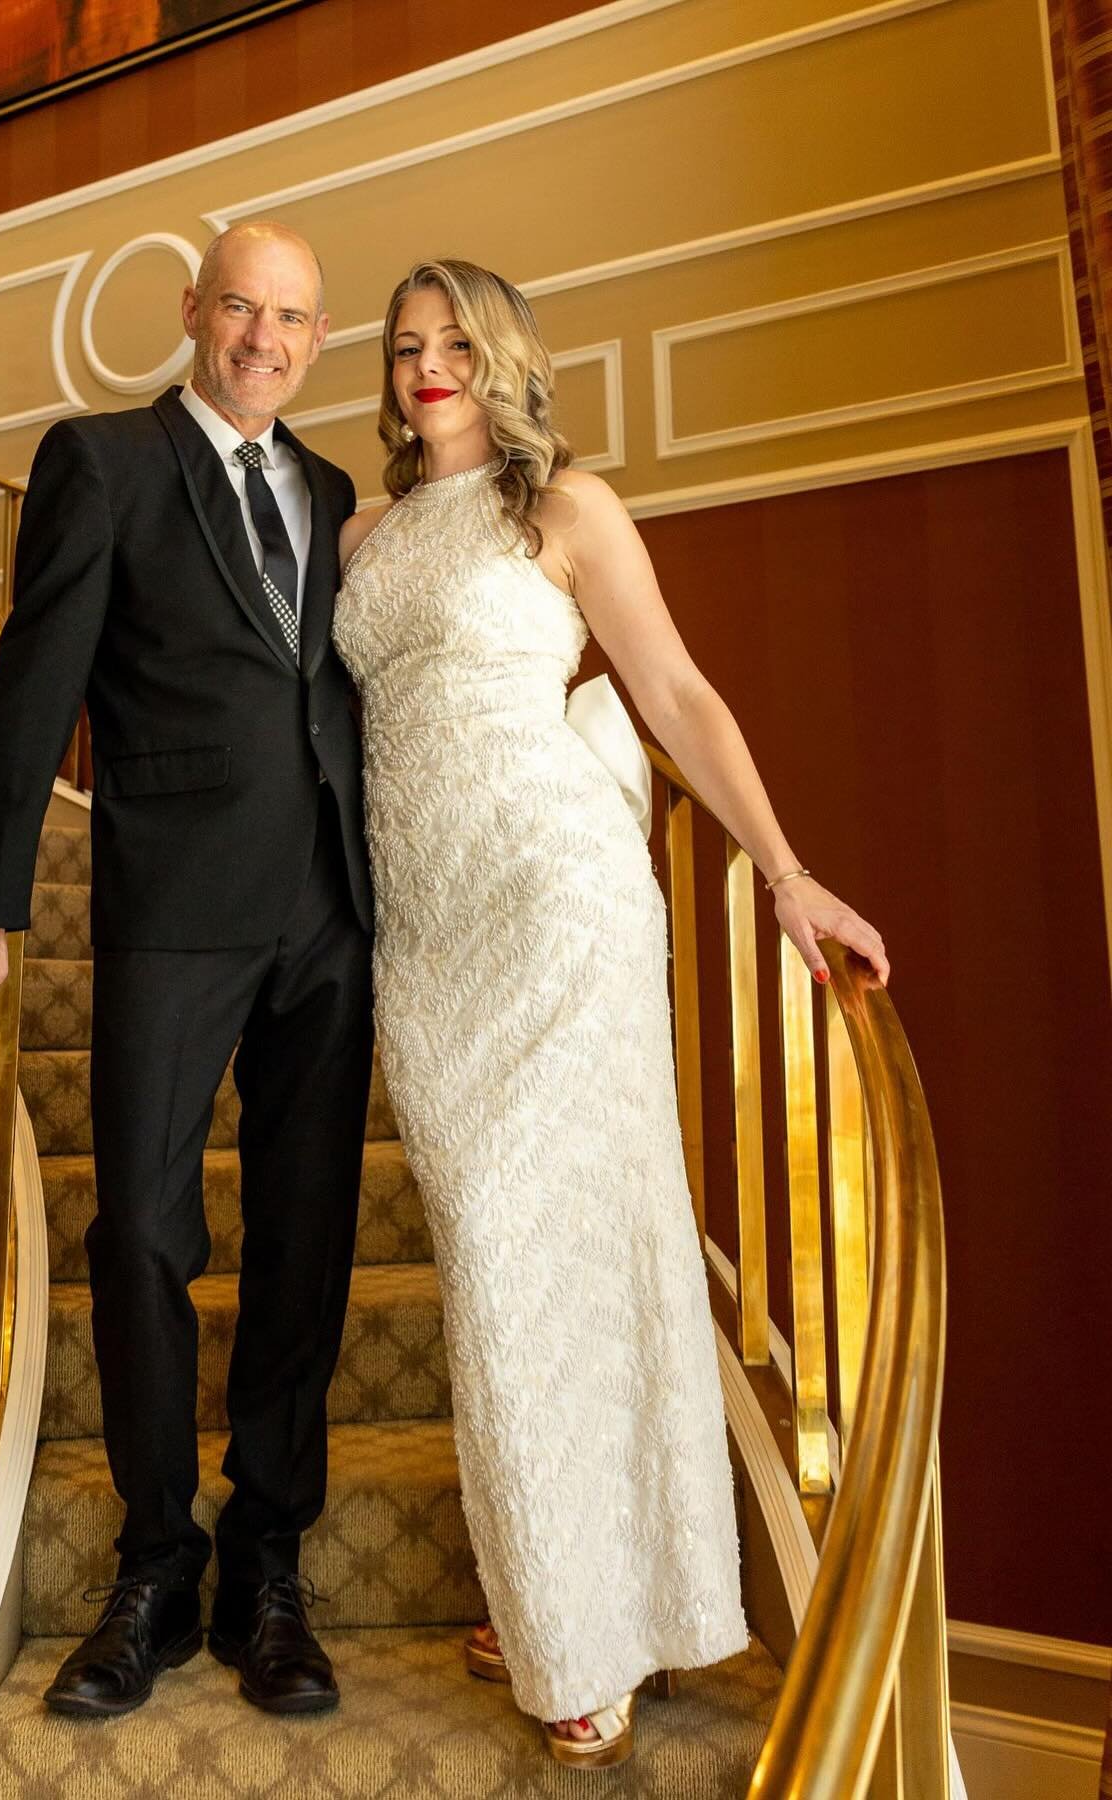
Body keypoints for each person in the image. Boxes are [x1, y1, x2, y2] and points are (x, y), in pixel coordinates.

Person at [332, 258, 890, 1768]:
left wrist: (784, 872)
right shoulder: (362, 532)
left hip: (558, 903)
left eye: (455, 341)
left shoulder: (568, 507)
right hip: (429, 939)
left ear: (502, 356)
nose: (428, 366)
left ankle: (584, 1627)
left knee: (552, 1253)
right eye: (404, 347)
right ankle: (553, 1576)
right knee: (494, 1258)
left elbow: (677, 692)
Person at [0, 221, 376, 1721]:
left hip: (330, 914)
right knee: (146, 1239)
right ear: (192, 312)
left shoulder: (335, 486)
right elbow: (37, 677)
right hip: (170, 907)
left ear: (316, 336)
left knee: (305, 1238)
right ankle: (159, 1562)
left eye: (292, 317)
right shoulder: (100, 462)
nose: (264, 338)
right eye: (240, 306)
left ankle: (270, 1560)